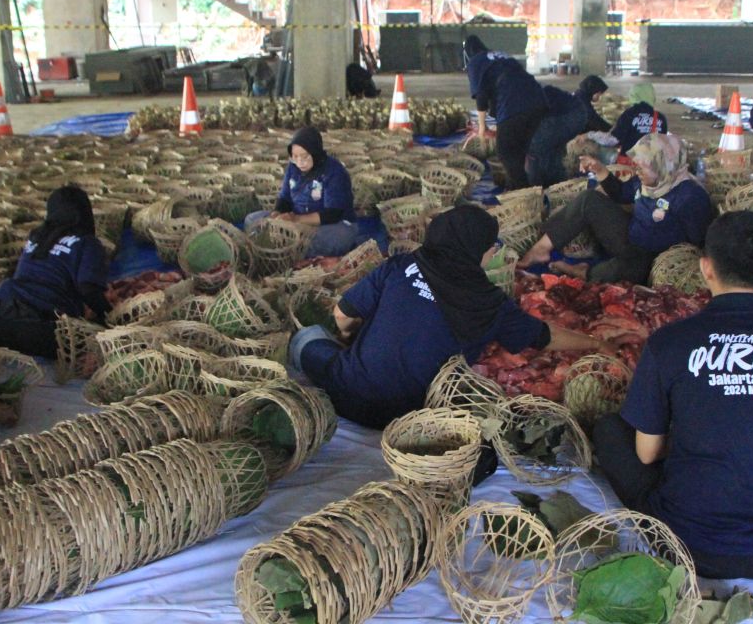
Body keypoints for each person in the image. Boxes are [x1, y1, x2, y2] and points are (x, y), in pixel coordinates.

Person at [593, 211, 753, 580]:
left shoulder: (669, 343)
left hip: (689, 547)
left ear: (706, 268)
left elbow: (647, 453)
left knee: (608, 429)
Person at [286, 206, 614, 429]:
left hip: (346, 388)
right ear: (475, 250)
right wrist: (594, 343)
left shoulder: (401, 266)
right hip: (405, 416)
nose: (493, 251)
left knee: (306, 337)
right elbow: (544, 336)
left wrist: (349, 342)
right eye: (491, 246)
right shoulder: (490, 302)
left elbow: (342, 315)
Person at [519, 132, 712, 284]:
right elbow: (621, 194)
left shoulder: (690, 196)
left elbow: (700, 240)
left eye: (643, 167)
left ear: (664, 166)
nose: (637, 171)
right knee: (589, 199)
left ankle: (583, 272)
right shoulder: (646, 181)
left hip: (654, 259)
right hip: (630, 237)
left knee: (629, 268)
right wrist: (601, 170)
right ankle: (542, 248)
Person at [0, 186, 111, 360]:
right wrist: (110, 318)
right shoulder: (86, 243)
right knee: (93, 337)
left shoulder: (37, 236)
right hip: (45, 331)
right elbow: (88, 289)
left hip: (0, 321)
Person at [244, 127, 363, 258]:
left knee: (322, 240)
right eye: (295, 156)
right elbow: (285, 199)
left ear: (315, 153)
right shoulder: (292, 167)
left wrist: (296, 220)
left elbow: (333, 213)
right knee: (252, 220)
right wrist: (276, 214)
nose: (299, 161)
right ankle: (284, 244)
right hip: (298, 220)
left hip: (332, 224)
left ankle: (287, 248)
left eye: (304, 156)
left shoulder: (334, 171)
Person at [464, 35, 548, 189]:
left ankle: (524, 195)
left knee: (505, 152)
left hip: (514, 104)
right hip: (538, 100)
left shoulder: (475, 62)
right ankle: (516, 188)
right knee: (519, 149)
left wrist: (482, 127)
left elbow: (481, 96)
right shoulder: (501, 55)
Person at [527, 84, 588, 188]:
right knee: (552, 151)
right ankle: (556, 188)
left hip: (570, 115)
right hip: (574, 113)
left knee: (536, 150)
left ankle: (539, 188)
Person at [609, 83, 667, 156]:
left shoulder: (629, 114)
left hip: (630, 162)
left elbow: (616, 138)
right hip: (653, 163)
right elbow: (663, 139)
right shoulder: (660, 117)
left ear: (634, 96)